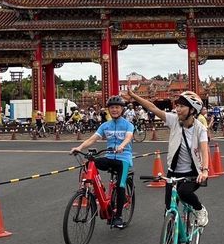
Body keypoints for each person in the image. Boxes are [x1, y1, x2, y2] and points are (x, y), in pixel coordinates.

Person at [128, 88, 210, 227]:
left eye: (182, 106)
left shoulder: (200, 129)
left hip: (193, 173)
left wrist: (205, 171)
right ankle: (170, 243)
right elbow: (152, 108)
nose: (177, 109)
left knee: (183, 192)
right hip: (173, 173)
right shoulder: (173, 120)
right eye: (177, 106)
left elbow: (204, 150)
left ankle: (200, 209)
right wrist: (133, 96)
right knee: (168, 210)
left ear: (192, 110)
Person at [70, 96, 134, 228]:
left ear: (122, 109)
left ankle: (118, 216)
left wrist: (122, 146)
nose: (114, 110)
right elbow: (93, 139)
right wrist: (79, 148)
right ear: (108, 110)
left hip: (123, 158)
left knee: (121, 186)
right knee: (90, 162)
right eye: (112, 107)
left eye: (117, 107)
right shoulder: (105, 125)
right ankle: (96, 188)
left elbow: (128, 137)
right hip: (110, 157)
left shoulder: (128, 125)